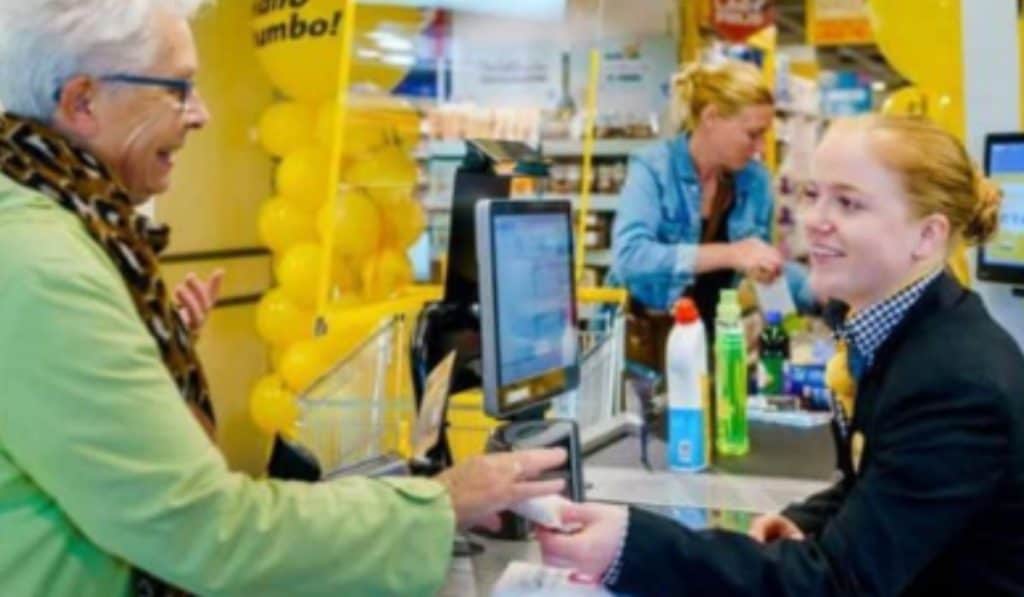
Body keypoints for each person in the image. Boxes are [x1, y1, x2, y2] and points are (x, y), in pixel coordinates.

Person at [0, 2, 565, 595]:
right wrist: (441, 503)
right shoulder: (46, 268)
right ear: (83, 102)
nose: (202, 115)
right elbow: (202, 530)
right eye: (180, 88)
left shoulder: (53, 226)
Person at [538, 115, 1024, 596]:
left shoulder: (955, 383)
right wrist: (803, 519)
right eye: (814, 195)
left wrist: (630, 547)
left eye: (849, 203)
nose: (815, 221)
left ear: (928, 235)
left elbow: (836, 583)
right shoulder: (905, 335)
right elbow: (879, 481)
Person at [610, 60, 810, 368]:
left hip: (708, 345)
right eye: (752, 134)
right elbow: (631, 258)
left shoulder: (753, 181)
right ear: (711, 117)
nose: (759, 148)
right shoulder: (653, 168)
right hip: (641, 349)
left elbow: (763, 267)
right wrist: (730, 254)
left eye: (764, 136)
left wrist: (822, 292)